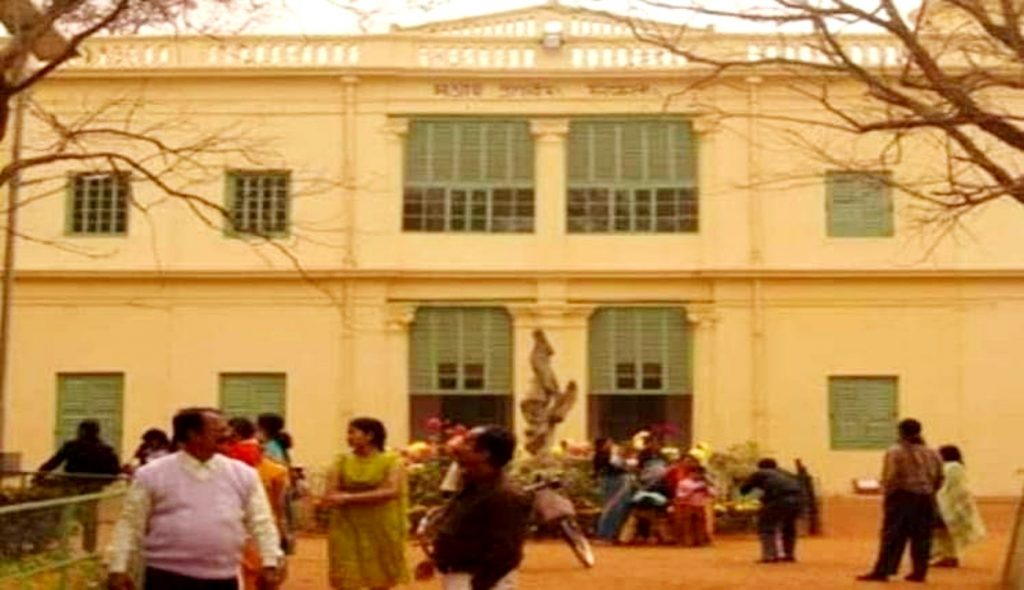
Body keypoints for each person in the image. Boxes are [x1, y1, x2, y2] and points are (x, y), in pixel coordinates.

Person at [106, 407, 282, 590]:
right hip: (165, 578)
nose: (228, 435)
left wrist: (271, 562)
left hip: (223, 580)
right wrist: (117, 567)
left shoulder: (243, 475)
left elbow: (261, 522)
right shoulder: (151, 474)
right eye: (220, 430)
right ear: (194, 435)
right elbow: (130, 523)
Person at [420, 425, 531, 590]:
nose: (458, 446)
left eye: (467, 442)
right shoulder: (473, 486)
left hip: (481, 580)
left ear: (485, 454)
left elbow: (506, 550)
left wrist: (479, 584)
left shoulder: (504, 495)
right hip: (463, 577)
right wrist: (437, 559)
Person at [323, 417, 409, 590]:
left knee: (380, 575)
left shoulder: (392, 461)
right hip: (347, 525)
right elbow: (330, 493)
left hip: (381, 526)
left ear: (369, 435)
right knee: (347, 573)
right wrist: (371, 495)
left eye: (352, 432)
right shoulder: (341, 460)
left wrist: (348, 498)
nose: (348, 437)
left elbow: (391, 491)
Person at [857, 418, 944, 583]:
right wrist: (930, 491)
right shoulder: (933, 452)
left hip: (902, 497)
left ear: (901, 432)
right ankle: (919, 572)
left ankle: (884, 570)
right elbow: (940, 477)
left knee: (893, 536)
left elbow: (890, 476)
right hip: (926, 498)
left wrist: (888, 495)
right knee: (922, 537)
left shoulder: (895, 451)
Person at [223, 418, 291, 590]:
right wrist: (282, 533)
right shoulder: (276, 469)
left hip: (244, 532)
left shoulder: (223, 466)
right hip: (258, 530)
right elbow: (279, 508)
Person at [39, 419, 121, 552]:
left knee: (66, 515)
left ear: (82, 431)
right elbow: (115, 471)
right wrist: (103, 482)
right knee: (90, 518)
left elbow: (54, 462)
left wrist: (40, 474)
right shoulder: (106, 449)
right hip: (93, 488)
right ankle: (89, 548)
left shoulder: (72, 446)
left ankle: (64, 547)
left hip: (71, 485)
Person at [740, 458, 805, 563]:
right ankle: (789, 555)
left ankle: (769, 556)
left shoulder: (760, 473)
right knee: (789, 527)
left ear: (760, 467)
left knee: (766, 527)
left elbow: (744, 490)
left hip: (779, 500)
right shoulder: (786, 473)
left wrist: (754, 487)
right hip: (799, 500)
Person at [932, 445, 986, 568]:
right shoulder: (958, 468)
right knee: (946, 532)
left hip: (947, 504)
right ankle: (949, 556)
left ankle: (949, 556)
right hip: (951, 504)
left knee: (943, 532)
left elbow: (947, 487)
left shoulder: (950, 468)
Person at [593, 438, 631, 541]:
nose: (611, 444)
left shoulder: (608, 455)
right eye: (608, 443)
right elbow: (615, 467)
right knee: (611, 508)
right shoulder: (603, 456)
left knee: (615, 509)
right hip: (613, 482)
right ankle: (604, 534)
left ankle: (610, 533)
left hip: (613, 481)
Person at [673, 456, 715, 547]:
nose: (698, 475)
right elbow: (679, 495)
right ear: (691, 473)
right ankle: (687, 541)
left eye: (700, 474)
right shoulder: (683, 483)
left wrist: (706, 490)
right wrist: (691, 492)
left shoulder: (704, 483)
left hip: (700, 505)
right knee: (687, 524)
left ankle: (700, 541)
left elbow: (713, 494)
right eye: (696, 473)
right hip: (687, 505)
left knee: (700, 524)